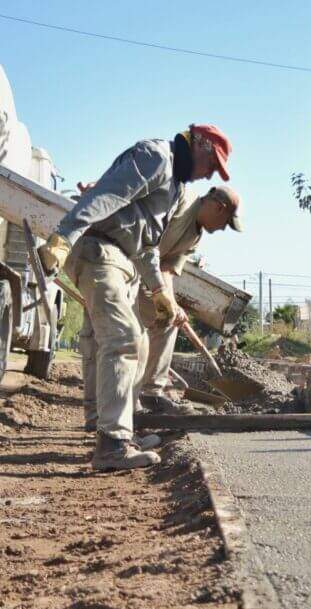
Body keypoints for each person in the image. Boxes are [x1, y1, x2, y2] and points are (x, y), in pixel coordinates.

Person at [38, 124, 232, 471]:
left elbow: (146, 247)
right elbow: (104, 197)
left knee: (140, 342)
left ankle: (121, 431)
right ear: (199, 145)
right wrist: (63, 236)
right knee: (123, 338)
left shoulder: (174, 186)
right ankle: (111, 445)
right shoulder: (156, 156)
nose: (208, 175)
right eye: (210, 165)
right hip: (100, 251)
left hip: (122, 260)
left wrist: (159, 291)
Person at [135, 185, 241, 409]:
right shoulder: (182, 201)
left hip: (148, 275)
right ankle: (116, 397)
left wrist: (172, 304)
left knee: (168, 321)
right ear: (218, 208)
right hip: (126, 262)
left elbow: (167, 269)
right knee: (128, 333)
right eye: (225, 222)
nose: (222, 229)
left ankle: (151, 392)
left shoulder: (195, 236)